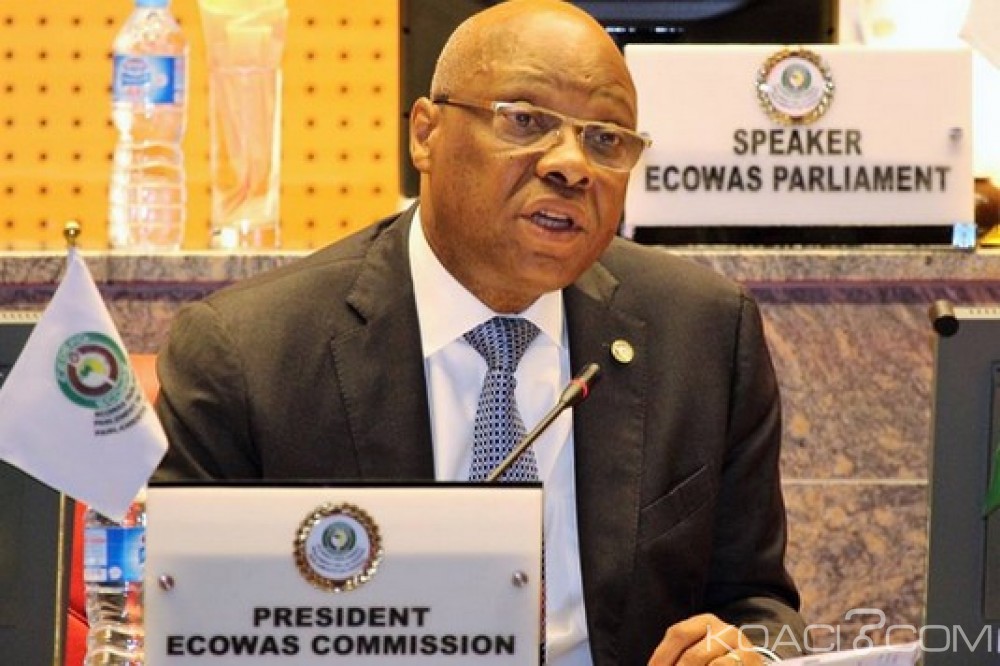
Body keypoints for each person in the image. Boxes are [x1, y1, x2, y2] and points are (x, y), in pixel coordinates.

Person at [153, 1, 806, 664]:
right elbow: (196, 627)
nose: (572, 165)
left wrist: (750, 651)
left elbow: (761, 605)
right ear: (425, 135)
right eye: (525, 120)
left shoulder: (702, 333)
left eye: (606, 140)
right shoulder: (249, 355)